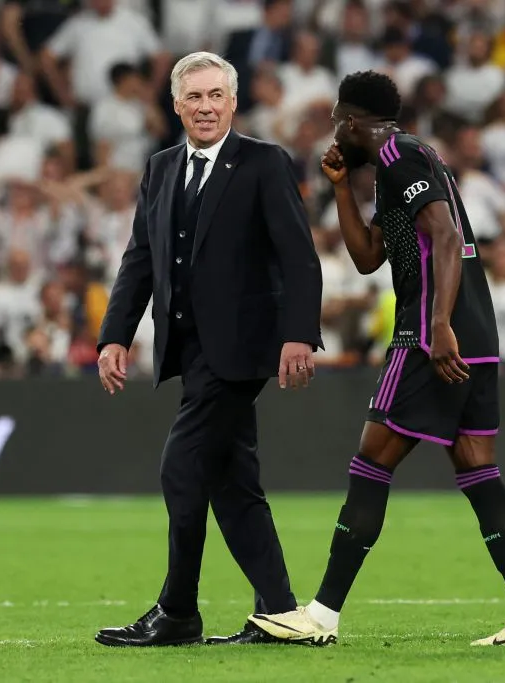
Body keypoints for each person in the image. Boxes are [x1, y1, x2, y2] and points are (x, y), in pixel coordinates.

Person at [245, 71, 505, 647]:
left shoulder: (397, 157)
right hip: (477, 335)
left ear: (355, 120)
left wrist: (436, 326)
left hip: (431, 335)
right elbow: (366, 258)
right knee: (478, 469)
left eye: (339, 120)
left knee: (372, 459)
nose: (335, 132)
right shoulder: (408, 160)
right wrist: (340, 187)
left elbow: (444, 233)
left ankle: (321, 615)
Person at [93, 52, 323, 648]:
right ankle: (279, 611)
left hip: (242, 350)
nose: (205, 106)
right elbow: (140, 257)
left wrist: (299, 333)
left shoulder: (265, 163)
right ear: (176, 104)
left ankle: (177, 613)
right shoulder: (161, 168)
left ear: (233, 102)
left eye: (215, 95)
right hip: (189, 350)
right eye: (194, 97)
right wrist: (115, 333)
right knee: (230, 481)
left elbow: (299, 255)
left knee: (181, 467)